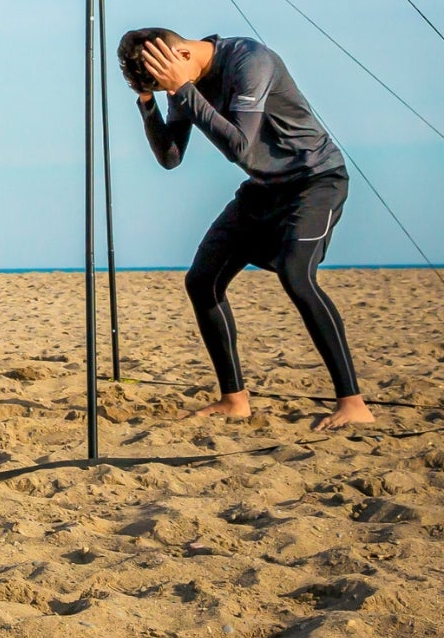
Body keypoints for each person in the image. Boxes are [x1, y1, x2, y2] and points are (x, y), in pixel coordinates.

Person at [119, 27, 373, 431]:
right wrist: (149, 102)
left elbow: (239, 145)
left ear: (180, 53)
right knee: (201, 281)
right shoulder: (181, 81)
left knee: (296, 275)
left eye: (162, 79)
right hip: (262, 189)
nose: (168, 88)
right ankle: (234, 400)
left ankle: (353, 402)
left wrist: (182, 90)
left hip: (314, 181)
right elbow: (171, 157)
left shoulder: (249, 61)